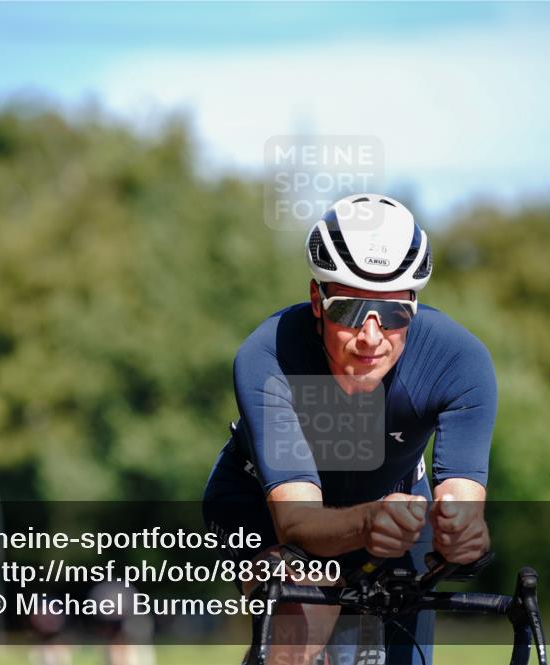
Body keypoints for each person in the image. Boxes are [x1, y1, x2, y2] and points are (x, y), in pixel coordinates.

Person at [203, 194, 497, 665]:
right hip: (262, 504)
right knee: (297, 626)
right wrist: (365, 521)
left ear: (415, 306)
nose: (372, 337)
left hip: (395, 502)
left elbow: (462, 506)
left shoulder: (459, 361)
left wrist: (463, 535)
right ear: (317, 300)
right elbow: (296, 523)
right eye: (350, 310)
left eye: (395, 313)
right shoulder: (268, 355)